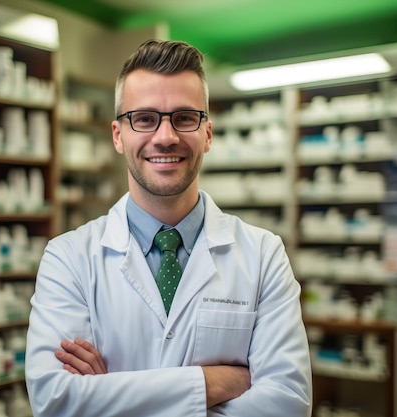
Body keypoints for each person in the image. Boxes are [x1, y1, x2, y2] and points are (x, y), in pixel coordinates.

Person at [25, 39, 312, 417]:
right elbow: (56, 401)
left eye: (184, 117)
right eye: (144, 118)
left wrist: (107, 392)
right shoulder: (68, 258)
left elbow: (287, 404)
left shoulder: (263, 255)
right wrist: (216, 383)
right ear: (117, 135)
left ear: (207, 133)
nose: (165, 136)